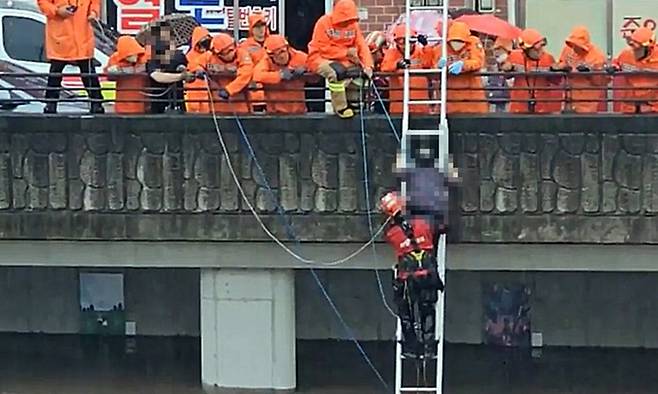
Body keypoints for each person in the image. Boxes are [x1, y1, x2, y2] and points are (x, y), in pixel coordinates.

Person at [380, 191, 444, 359]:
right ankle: (429, 347)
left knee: (406, 314)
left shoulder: (392, 234)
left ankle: (410, 348)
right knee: (427, 311)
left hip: (407, 281)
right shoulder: (425, 223)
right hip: (427, 277)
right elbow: (441, 228)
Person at [308, 0, 374, 119]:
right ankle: (340, 107)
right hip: (320, 58)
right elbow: (322, 48)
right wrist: (346, 52)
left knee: (358, 74)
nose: (347, 22)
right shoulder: (323, 23)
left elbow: (362, 46)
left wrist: (368, 65)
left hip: (344, 59)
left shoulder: (353, 26)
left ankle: (353, 103)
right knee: (337, 72)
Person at [37, 0, 104, 114]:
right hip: (60, 37)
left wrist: (93, 13)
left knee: (88, 73)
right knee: (55, 73)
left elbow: (95, 3)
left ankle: (96, 103)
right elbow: (43, 3)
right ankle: (51, 104)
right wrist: (57, 11)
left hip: (82, 37)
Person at [429, 21, 487, 114]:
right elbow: (433, 74)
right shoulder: (440, 49)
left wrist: (463, 65)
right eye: (453, 41)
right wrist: (438, 68)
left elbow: (478, 62)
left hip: (473, 100)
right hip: (450, 101)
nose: (456, 44)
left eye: (460, 41)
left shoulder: (474, 44)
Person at [191, 33, 254, 114]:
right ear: (218, 53)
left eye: (232, 49)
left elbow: (245, 75)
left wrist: (229, 90)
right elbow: (194, 64)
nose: (231, 53)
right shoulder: (209, 56)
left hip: (240, 105)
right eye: (227, 52)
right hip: (217, 105)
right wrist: (198, 69)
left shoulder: (242, 55)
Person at [502, 28, 561, 113]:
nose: (541, 51)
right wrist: (508, 68)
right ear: (526, 49)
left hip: (542, 109)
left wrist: (555, 71)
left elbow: (556, 81)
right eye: (537, 49)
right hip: (519, 108)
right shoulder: (515, 56)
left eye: (542, 47)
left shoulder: (548, 58)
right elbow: (506, 76)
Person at [552, 26, 607, 113]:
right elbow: (561, 63)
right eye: (573, 44)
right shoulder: (567, 50)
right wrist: (561, 67)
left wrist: (589, 73)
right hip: (568, 100)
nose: (574, 48)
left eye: (577, 45)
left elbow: (601, 81)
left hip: (587, 103)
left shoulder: (597, 55)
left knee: (585, 125)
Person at [380, 25, 433, 114]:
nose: (406, 45)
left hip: (419, 101)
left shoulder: (421, 52)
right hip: (399, 103)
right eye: (401, 42)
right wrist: (397, 64)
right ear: (396, 42)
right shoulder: (392, 53)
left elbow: (429, 63)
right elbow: (384, 67)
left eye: (409, 41)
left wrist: (426, 46)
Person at [252, 35, 308, 114]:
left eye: (282, 51)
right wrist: (280, 75)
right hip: (275, 114)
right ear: (270, 55)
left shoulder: (299, 57)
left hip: (299, 112)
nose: (281, 56)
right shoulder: (266, 61)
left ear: (287, 48)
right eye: (276, 54)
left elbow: (316, 75)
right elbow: (256, 76)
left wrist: (306, 71)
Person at [146, 24, 194, 114]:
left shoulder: (179, 56)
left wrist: (184, 71)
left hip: (177, 101)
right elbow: (156, 76)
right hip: (159, 102)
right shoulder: (153, 59)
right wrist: (180, 76)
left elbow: (187, 71)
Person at [610, 27, 658, 113]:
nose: (635, 51)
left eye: (638, 48)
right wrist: (614, 67)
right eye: (633, 46)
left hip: (651, 109)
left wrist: (653, 108)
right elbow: (616, 62)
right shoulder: (626, 54)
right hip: (629, 106)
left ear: (649, 48)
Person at [104, 36, 149, 114]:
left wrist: (121, 70)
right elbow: (109, 77)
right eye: (128, 55)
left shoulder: (146, 58)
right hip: (123, 103)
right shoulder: (115, 59)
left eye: (134, 53)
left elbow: (146, 69)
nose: (133, 57)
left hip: (143, 102)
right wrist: (110, 72)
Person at [239, 12, 270, 112]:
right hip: (253, 94)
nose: (261, 29)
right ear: (251, 29)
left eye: (263, 25)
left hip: (274, 93)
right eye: (256, 27)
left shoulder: (274, 42)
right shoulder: (244, 46)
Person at [185, 26, 212, 113]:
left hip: (208, 91)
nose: (206, 40)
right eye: (203, 38)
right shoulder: (189, 55)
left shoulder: (211, 54)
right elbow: (190, 67)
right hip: (193, 91)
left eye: (207, 38)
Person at [365, 30, 390, 114]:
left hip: (386, 102)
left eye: (375, 53)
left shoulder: (387, 61)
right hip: (370, 102)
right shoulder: (366, 63)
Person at [487, 37, 513, 112]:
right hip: (495, 101)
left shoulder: (513, 65)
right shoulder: (494, 67)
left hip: (509, 102)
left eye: (499, 49)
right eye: (495, 49)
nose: (496, 52)